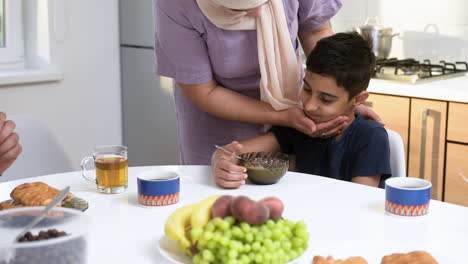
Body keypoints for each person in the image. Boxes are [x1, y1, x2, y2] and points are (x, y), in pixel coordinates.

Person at [154, 0, 383, 165]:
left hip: (294, 112)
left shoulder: (365, 135)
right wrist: (285, 116)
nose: (256, 11)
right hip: (217, 120)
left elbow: (315, 31)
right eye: (238, 6)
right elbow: (204, 91)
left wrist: (343, 98)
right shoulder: (175, 5)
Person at [211, 32, 392, 189]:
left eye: (326, 99)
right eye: (306, 89)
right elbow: (230, 152)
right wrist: (221, 161)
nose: (309, 105)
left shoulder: (371, 137)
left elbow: (358, 203)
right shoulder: (300, 125)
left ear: (358, 100)